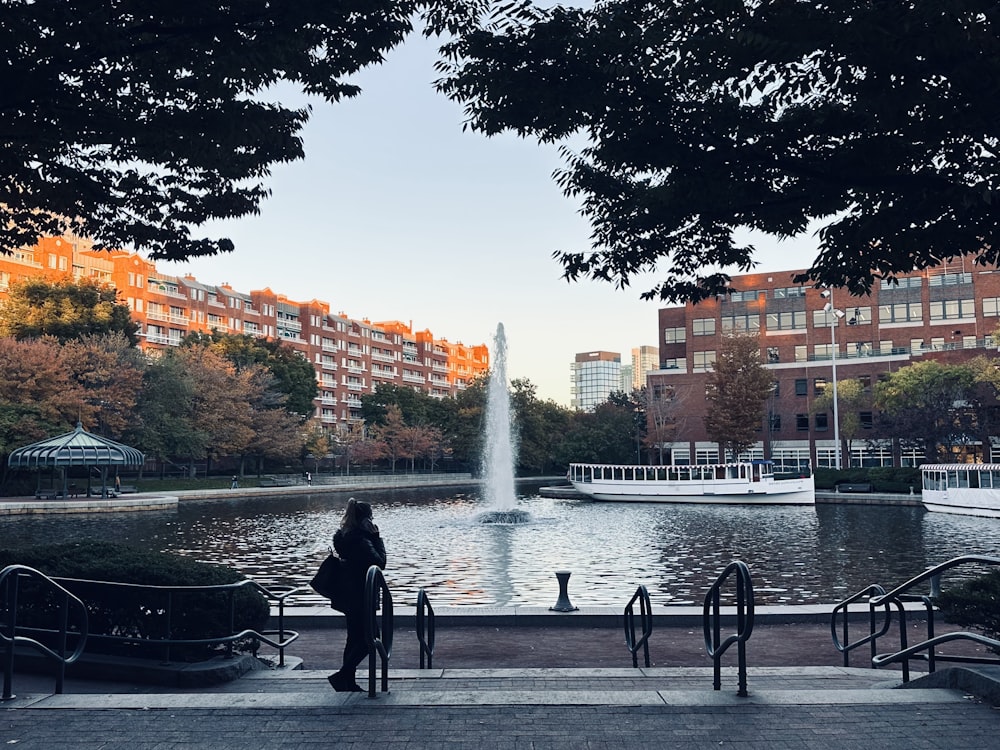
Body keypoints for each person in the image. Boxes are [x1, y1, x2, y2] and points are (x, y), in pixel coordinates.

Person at [327, 498, 386, 692]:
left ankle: (347, 681)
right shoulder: (362, 541)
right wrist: (376, 537)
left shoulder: (343, 536)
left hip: (347, 594)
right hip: (362, 595)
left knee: (353, 638)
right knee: (371, 637)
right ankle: (343, 675)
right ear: (365, 519)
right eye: (371, 517)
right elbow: (380, 563)